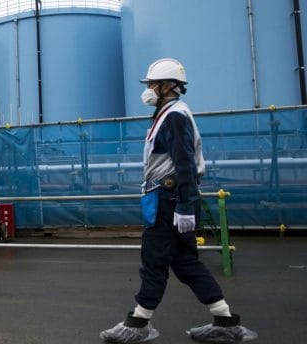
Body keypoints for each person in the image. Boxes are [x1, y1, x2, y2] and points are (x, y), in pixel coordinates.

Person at [100, 58, 257, 343]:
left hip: (170, 199)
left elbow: (183, 162)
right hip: (171, 198)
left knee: (154, 258)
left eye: (152, 84)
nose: (147, 89)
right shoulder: (168, 114)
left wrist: (184, 207)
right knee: (185, 262)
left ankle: (139, 322)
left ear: (168, 86)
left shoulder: (174, 116)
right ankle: (225, 319)